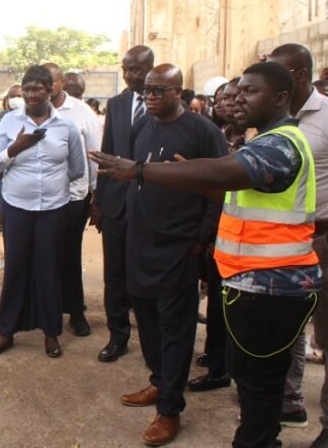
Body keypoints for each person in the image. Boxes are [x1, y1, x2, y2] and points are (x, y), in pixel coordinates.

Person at [90, 61, 321, 448]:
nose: (237, 99)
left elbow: (217, 175)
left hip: (268, 283)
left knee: (255, 382)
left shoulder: (278, 143)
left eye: (250, 92)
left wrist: (142, 171)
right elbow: (233, 194)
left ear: (281, 97)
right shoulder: (260, 138)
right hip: (241, 277)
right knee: (249, 379)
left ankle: (189, 414)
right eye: (238, 90)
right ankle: (164, 388)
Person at [107, 64, 226, 446]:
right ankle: (160, 383)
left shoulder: (202, 131)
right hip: (140, 242)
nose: (151, 97)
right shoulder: (143, 126)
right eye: (146, 91)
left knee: (176, 328)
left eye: (159, 90)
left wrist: (202, 237)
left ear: (179, 90)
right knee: (149, 322)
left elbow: (219, 185)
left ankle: (170, 410)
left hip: (179, 245)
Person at [0, 65, 85, 358]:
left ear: (49, 90)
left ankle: (51, 333)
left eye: (37, 88)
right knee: (16, 267)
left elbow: (77, 169)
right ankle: (7, 331)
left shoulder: (65, 126)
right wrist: (14, 149)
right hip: (17, 208)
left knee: (48, 268)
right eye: (26, 89)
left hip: (53, 209)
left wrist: (52, 184)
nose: (31, 94)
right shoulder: (9, 123)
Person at [267, 43, 328, 446]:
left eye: (277, 73)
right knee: (284, 331)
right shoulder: (271, 118)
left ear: (301, 77)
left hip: (324, 238)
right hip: (280, 240)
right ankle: (288, 403)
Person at [92, 44, 154, 363]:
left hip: (150, 204)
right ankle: (118, 336)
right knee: (114, 274)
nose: (130, 75)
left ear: (151, 68)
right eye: (126, 69)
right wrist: (99, 202)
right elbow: (106, 153)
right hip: (116, 205)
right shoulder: (115, 104)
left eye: (137, 69)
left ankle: (151, 343)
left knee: (144, 274)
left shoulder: (164, 103)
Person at [188, 79, 241, 393]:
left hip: (249, 243)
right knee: (219, 306)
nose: (226, 104)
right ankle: (218, 363)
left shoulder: (258, 140)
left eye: (234, 98)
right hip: (219, 237)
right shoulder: (219, 134)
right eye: (220, 99)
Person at [44, 62, 102, 337]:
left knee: (69, 255)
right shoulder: (29, 112)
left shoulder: (81, 112)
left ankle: (75, 312)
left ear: (62, 83)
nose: (46, 86)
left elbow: (96, 155)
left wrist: (96, 195)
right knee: (45, 256)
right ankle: (49, 310)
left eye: (51, 80)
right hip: (40, 198)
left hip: (73, 197)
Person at [0, 85, 24, 233]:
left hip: (21, 171)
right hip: (0, 168)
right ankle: (3, 217)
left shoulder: (32, 118)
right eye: (13, 96)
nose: (16, 99)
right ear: (7, 100)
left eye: (19, 96)